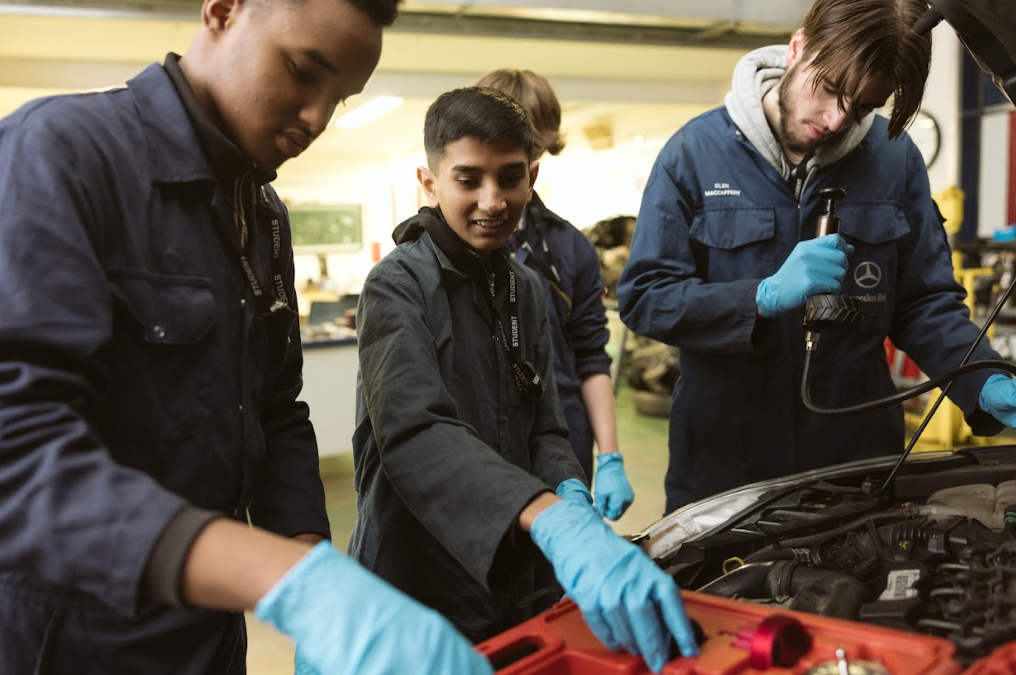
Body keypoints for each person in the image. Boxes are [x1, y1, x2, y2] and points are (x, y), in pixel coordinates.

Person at [0, 1, 492, 673]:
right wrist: (286, 579)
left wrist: (314, 560)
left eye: (340, 97)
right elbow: (17, 450)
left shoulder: (261, 216)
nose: (317, 117)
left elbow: (274, 411)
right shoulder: (60, 154)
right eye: (300, 70)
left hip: (207, 637)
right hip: (70, 640)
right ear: (223, 9)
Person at [347, 86, 699, 673]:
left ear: (533, 175)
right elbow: (414, 431)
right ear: (429, 183)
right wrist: (548, 516)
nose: (492, 200)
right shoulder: (396, 285)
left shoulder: (526, 288)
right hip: (418, 580)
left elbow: (546, 427)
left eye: (510, 178)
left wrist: (569, 491)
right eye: (468, 179)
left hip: (512, 576)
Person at [617, 0, 1016, 514]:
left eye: (863, 107)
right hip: (724, 465)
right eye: (828, 89)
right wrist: (757, 299)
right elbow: (647, 297)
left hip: (855, 463)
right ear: (799, 46)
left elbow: (924, 303)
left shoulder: (894, 160)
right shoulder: (693, 154)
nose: (835, 119)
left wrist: (982, 379)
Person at [474, 68, 634, 521]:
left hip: (564, 440)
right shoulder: (444, 246)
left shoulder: (570, 248)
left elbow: (590, 356)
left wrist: (611, 456)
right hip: (479, 442)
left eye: (530, 148)